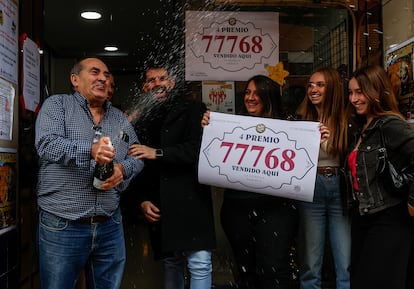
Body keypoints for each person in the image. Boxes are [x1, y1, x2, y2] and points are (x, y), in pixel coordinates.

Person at [34, 57, 144, 289]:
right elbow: (46, 144)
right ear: (75, 79)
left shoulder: (119, 118)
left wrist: (123, 169)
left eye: (106, 74)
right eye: (95, 72)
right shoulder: (57, 105)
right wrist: (90, 150)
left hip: (110, 225)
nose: (103, 78)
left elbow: (138, 154)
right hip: (62, 225)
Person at [202, 75, 298, 289]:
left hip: (276, 209)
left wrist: (318, 136)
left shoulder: (288, 127)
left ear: (268, 97)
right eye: (247, 92)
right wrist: (209, 127)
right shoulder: (234, 125)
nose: (250, 98)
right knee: (246, 269)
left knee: (274, 268)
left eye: (256, 93)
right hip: (237, 209)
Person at [128, 63, 216, 289]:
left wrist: (156, 152)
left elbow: (196, 151)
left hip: (191, 198)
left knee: (200, 262)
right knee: (171, 261)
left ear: (172, 83)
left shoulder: (195, 109)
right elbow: (133, 162)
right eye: (151, 80)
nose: (157, 84)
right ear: (144, 86)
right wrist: (142, 200)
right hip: (158, 200)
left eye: (162, 79)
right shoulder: (140, 117)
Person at [345, 64, 414, 289]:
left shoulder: (390, 124)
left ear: (376, 91)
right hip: (363, 216)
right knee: (360, 279)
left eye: (359, 92)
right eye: (351, 92)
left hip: (389, 217)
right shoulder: (360, 127)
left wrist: (413, 200)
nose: (354, 98)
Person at [295, 67, 350, 289]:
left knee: (344, 259)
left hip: (340, 185)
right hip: (311, 186)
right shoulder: (299, 118)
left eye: (320, 85)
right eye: (310, 85)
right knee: (310, 260)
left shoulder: (348, 119)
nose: (313, 89)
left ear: (333, 89)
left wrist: (333, 140)